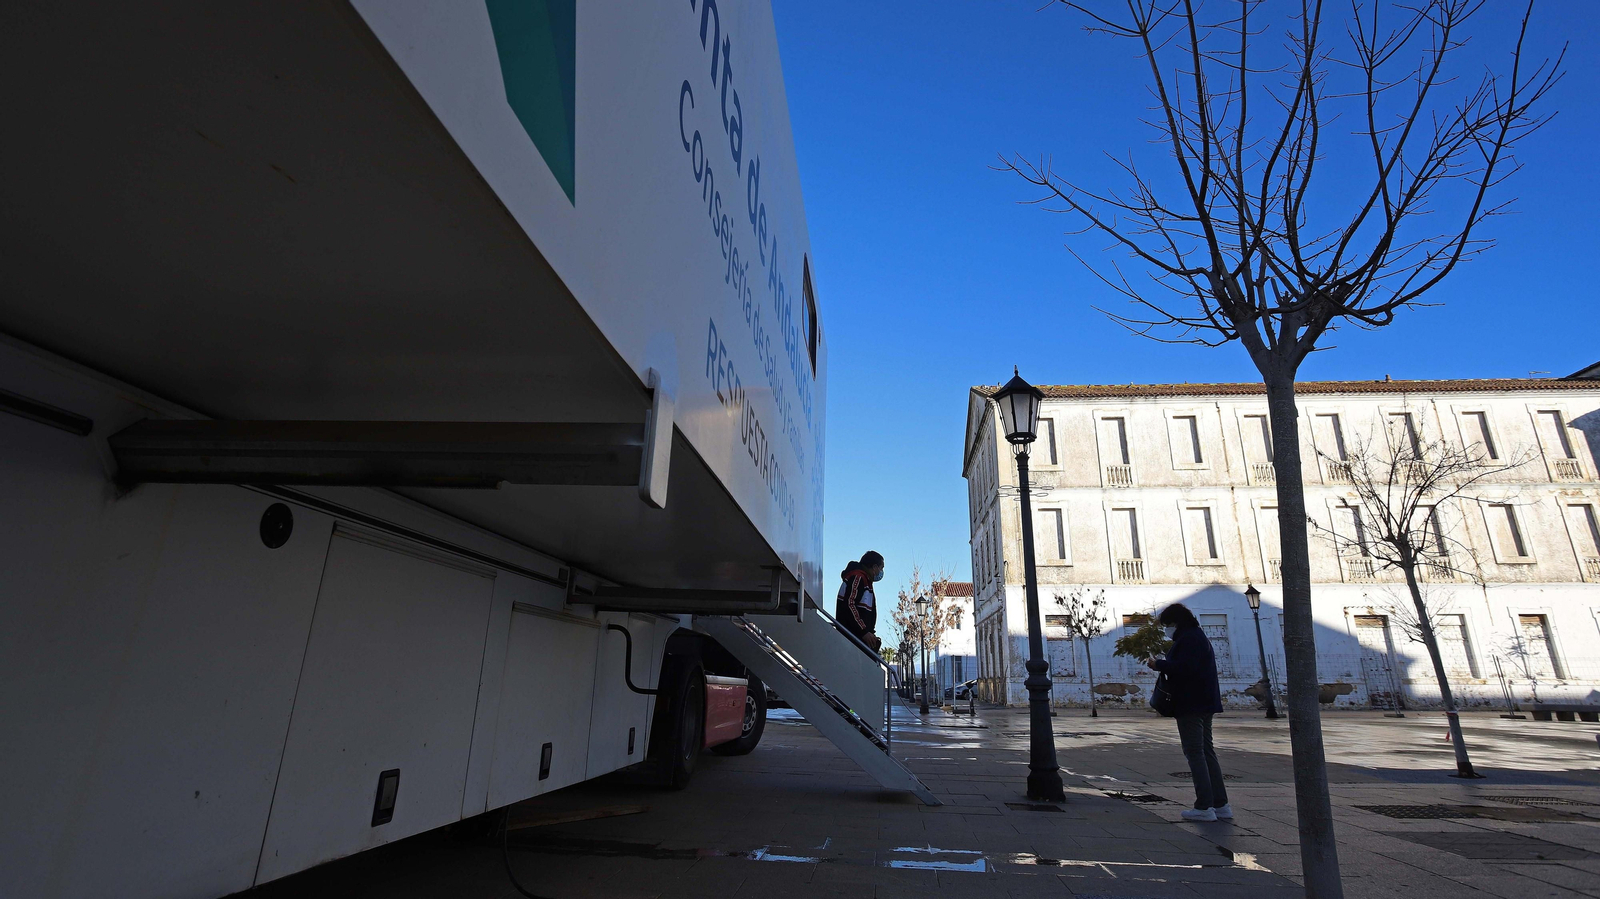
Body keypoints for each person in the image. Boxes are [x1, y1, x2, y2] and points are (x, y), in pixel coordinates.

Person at [1148, 602, 1231, 822]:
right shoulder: (1197, 636)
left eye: (1167, 625)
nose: (1167, 630)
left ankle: (1204, 806)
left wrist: (1159, 664)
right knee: (1206, 751)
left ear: (1175, 622)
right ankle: (1219, 803)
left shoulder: (1189, 639)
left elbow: (1184, 669)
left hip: (1191, 703)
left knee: (1195, 753)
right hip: (1204, 701)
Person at [835, 551, 884, 652]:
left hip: (857, 636)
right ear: (874, 567)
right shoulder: (858, 578)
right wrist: (863, 631)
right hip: (852, 637)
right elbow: (849, 604)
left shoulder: (865, 581)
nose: (881, 571)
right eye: (881, 568)